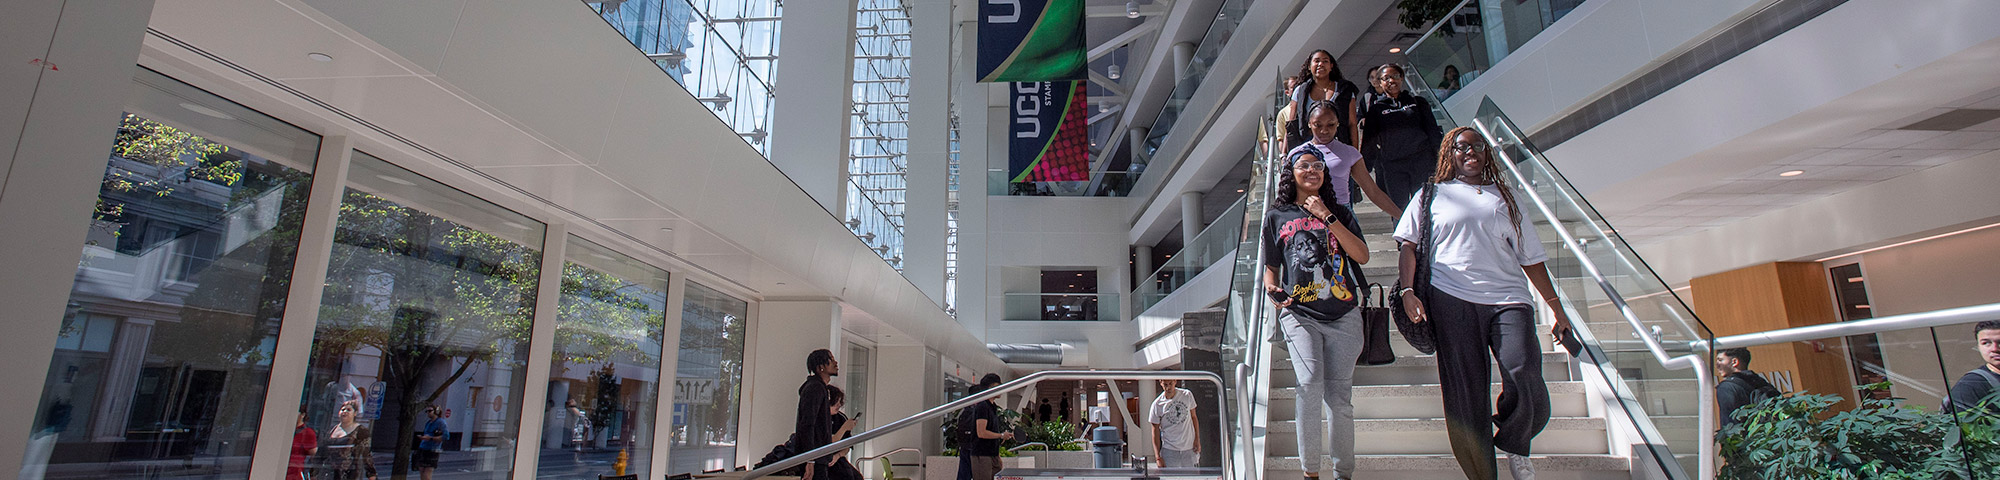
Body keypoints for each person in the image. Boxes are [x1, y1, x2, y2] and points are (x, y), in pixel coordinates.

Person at [1394, 127, 1572, 480]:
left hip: (1509, 298)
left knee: (1523, 370)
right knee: (1465, 391)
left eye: (1478, 146)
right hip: (1450, 298)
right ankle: (1481, 473)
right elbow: (1408, 245)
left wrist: (1556, 305)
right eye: (1462, 147)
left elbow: (1531, 257)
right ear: (1450, 153)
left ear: (1487, 153)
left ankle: (1515, 442)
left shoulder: (1507, 196)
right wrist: (1408, 291)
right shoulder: (1432, 194)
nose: (1471, 152)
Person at [1263, 146, 1370, 480]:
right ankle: (1311, 472)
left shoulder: (1339, 211)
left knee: (1340, 399)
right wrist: (1271, 287)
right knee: (1309, 384)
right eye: (1304, 165)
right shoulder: (1276, 216)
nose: (1312, 171)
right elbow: (1271, 266)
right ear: (1291, 172)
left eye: (1318, 166)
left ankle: (1343, 473)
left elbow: (1362, 256)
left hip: (1344, 314)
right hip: (1300, 315)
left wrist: (1326, 215)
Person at [1292, 99, 1405, 223]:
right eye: (1318, 125)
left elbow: (1372, 191)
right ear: (1309, 123)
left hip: (1342, 215)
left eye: (1330, 125)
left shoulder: (1349, 153)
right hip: (1308, 215)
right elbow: (1289, 190)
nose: (1324, 131)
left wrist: (1404, 218)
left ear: (1338, 123)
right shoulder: (1297, 154)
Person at [1359, 64, 1443, 212]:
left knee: (1426, 206)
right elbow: (1369, 142)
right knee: (1399, 209)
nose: (1391, 81)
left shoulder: (1418, 103)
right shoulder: (1376, 110)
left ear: (1402, 78)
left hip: (1422, 163)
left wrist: (1441, 158)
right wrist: (1364, 169)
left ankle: (1428, 235)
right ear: (1380, 83)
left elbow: (1432, 131)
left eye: (1395, 76)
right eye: (1386, 78)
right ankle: (1403, 236)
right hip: (1393, 167)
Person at [1287, 50, 1361, 149]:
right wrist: (1284, 153)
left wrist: (1354, 151)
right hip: (1308, 146)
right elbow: (1291, 124)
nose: (1320, 64)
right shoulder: (1300, 91)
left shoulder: (1345, 90)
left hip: (1339, 145)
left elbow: (1352, 123)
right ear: (1309, 66)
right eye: (1316, 61)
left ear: (1331, 66)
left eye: (1325, 61)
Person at [796, 349, 840, 480]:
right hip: (815, 456)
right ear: (820, 367)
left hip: (819, 455)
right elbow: (807, 424)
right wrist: (810, 460)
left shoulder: (819, 388)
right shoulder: (815, 388)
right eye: (830, 360)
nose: (835, 363)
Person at [963, 374, 1015, 480]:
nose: (1001, 389)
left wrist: (996, 454)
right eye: (998, 386)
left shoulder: (992, 407)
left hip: (992, 454)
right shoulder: (983, 406)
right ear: (990, 388)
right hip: (982, 455)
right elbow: (981, 432)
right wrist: (1001, 435)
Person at [1714, 348, 1781, 428]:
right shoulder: (1759, 381)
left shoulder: (1727, 387)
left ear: (1734, 362)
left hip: (1749, 438)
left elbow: (1729, 426)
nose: (1717, 365)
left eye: (1720, 360)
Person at [1949, 321, 2000, 416]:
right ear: (1978, 346)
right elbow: (1964, 427)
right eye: (1986, 343)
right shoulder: (1970, 384)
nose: (1995, 348)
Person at [1149, 377, 1200, 468]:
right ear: (1161, 383)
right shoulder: (1157, 404)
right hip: (1170, 450)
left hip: (1189, 448)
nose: (1168, 388)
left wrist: (1197, 440)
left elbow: (1194, 417)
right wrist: (1157, 457)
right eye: (1165, 384)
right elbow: (1154, 430)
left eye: (1170, 384)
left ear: (1175, 381)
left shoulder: (1187, 395)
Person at [320, 401, 376, 480]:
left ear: (355, 413)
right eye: (343, 410)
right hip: (328, 472)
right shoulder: (332, 430)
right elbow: (322, 451)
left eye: (349, 410)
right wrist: (314, 472)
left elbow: (366, 454)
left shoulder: (361, 431)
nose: (345, 412)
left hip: (347, 473)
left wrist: (371, 474)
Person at [828, 386, 865, 480]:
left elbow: (847, 446)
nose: (838, 405)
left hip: (838, 458)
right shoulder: (818, 419)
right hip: (823, 460)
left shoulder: (841, 418)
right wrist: (844, 428)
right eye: (836, 401)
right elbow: (828, 443)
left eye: (840, 402)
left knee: (857, 477)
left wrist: (838, 455)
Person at [416, 404, 447, 480]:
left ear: (436, 411)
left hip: (432, 449)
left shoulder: (440, 422)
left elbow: (446, 436)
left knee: (427, 472)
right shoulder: (428, 423)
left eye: (430, 411)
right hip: (423, 448)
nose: (428, 413)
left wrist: (431, 438)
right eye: (427, 411)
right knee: (421, 471)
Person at [288, 409, 318, 480]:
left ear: (302, 415)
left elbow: (314, 456)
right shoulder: (286, 430)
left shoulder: (307, 433)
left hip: (295, 473)